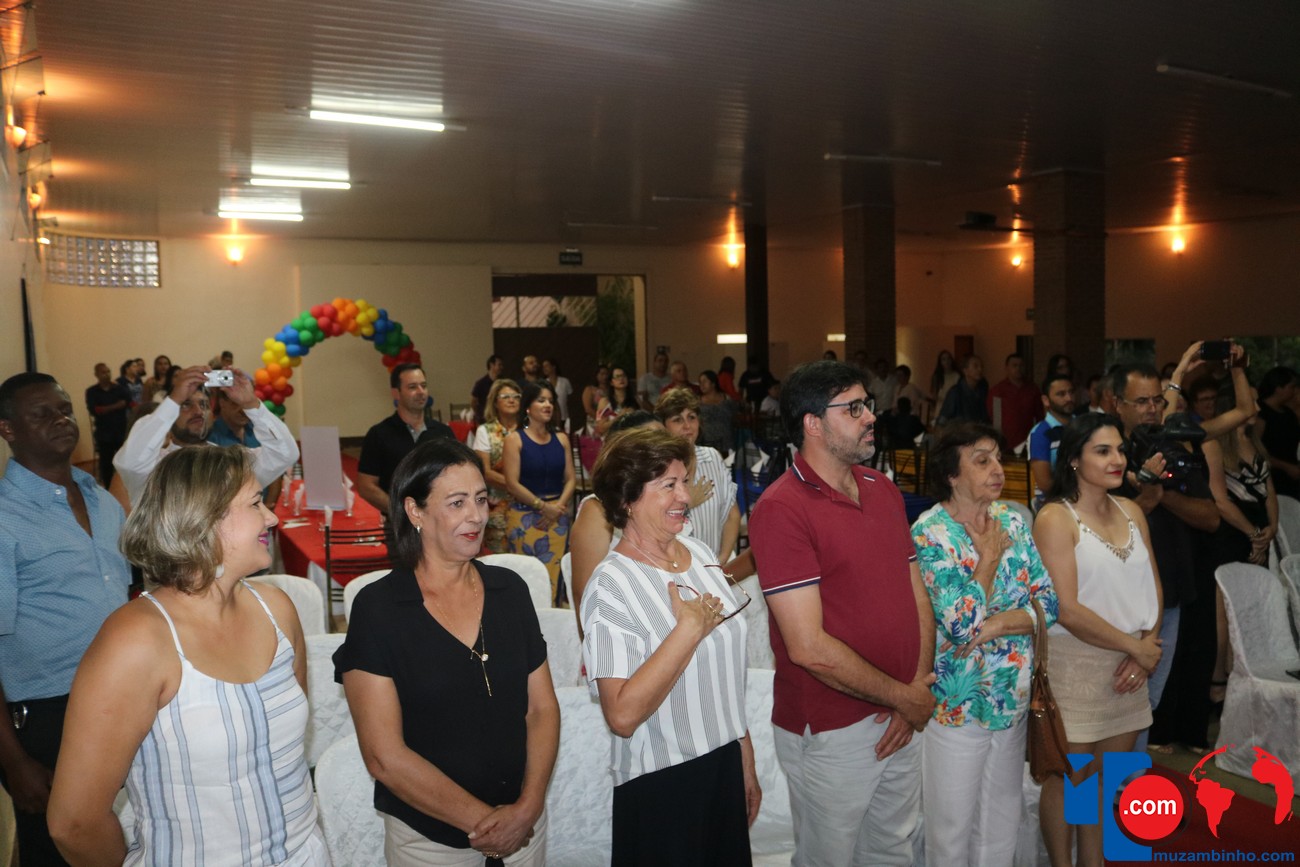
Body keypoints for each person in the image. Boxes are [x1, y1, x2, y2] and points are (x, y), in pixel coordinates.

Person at [47, 446, 328, 865]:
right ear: (204, 518)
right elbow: (73, 823)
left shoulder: (277, 610)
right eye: (255, 503)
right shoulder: (136, 641)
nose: (271, 517)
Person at [335, 439, 559, 865]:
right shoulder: (379, 609)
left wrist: (528, 806)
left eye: (480, 499)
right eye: (457, 503)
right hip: (430, 842)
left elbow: (541, 709)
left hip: (523, 826)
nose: (476, 515)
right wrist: (488, 824)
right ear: (415, 511)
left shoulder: (509, 591)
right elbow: (384, 756)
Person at [748, 360, 935, 866]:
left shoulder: (882, 489)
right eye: (853, 409)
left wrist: (914, 692)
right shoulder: (781, 509)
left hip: (901, 711)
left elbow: (917, 595)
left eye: (867, 405)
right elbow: (807, 647)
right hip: (832, 727)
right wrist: (905, 698)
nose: (870, 416)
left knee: (893, 852)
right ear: (813, 423)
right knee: (829, 859)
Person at [581, 427, 759, 865]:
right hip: (663, 784)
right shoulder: (611, 585)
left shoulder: (699, 554)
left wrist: (744, 754)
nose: (685, 496)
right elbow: (622, 715)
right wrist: (687, 631)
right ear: (628, 499)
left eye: (685, 481)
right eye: (668, 485)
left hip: (722, 761)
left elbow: (723, 676)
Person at [0, 373, 133, 867]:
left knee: (127, 837)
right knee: (57, 852)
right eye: (42, 414)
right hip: (49, 716)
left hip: (125, 697)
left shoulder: (102, 500)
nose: (60, 420)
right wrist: (14, 761)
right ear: (8, 429)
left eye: (64, 409)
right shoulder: (5, 518)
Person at [911, 422, 1058, 866]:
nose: (998, 469)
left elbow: (1049, 603)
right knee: (951, 830)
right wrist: (990, 557)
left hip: (1011, 698)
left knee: (1001, 825)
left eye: (998, 458)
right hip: (958, 705)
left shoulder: (1012, 519)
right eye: (982, 461)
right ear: (952, 475)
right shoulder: (930, 533)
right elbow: (960, 624)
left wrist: (995, 627)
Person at [1032, 414, 1163, 867]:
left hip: (1131, 667)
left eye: (1120, 450)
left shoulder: (1132, 510)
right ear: (1073, 459)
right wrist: (1136, 649)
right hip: (1077, 664)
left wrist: (1146, 647)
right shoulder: (1055, 517)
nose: (1117, 459)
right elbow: (1066, 608)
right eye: (1103, 451)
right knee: (1071, 779)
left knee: (1106, 784)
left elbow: (1153, 587)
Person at [1107, 363, 1219, 753]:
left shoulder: (1171, 449)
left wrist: (1162, 494)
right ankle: (1100, 789)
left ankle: (1127, 783)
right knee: (1110, 706)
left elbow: (1210, 518)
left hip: (1167, 593)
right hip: (1113, 602)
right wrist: (1144, 498)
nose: (1152, 409)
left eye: (1157, 400)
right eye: (1142, 401)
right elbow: (1096, 535)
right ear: (1117, 403)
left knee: (1144, 703)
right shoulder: (1101, 453)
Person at [114, 364, 299, 508]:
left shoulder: (231, 461)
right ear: (170, 416)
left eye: (203, 405)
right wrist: (174, 399)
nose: (198, 411)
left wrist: (251, 404)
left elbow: (285, 454)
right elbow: (129, 462)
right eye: (186, 405)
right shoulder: (156, 466)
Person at [567, 412, 665, 627]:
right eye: (650, 440)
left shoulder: (667, 503)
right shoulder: (598, 510)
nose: (662, 447)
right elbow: (586, 597)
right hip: (621, 631)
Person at [503, 381, 575, 602]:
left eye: (551, 401)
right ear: (528, 407)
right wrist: (543, 507)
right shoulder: (514, 439)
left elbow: (571, 479)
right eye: (541, 400)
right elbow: (512, 483)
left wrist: (558, 507)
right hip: (525, 518)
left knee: (555, 577)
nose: (548, 405)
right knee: (527, 581)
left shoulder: (561, 439)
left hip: (557, 518)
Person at [357, 363, 456, 514]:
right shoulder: (379, 434)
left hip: (440, 519)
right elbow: (366, 486)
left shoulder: (443, 433)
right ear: (396, 393)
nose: (421, 392)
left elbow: (457, 476)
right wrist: (402, 512)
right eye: (412, 387)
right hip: (398, 523)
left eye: (423, 386)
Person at [656, 388, 741, 560]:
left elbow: (732, 516)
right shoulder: (656, 466)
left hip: (716, 563)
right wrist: (687, 504)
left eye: (691, 417)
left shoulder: (712, 457)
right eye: (677, 419)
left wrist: (721, 561)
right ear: (663, 427)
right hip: (673, 566)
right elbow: (650, 524)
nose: (687, 426)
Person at [473, 378, 523, 554]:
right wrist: (521, 487)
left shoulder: (528, 429)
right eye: (505, 397)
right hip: (497, 507)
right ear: (495, 402)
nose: (512, 400)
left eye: (516, 396)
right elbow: (485, 472)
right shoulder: (485, 431)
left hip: (530, 508)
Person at [1029, 372, 1077, 510]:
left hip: (1084, 499)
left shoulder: (1083, 426)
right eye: (1061, 394)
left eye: (1071, 392)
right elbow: (1044, 483)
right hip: (1053, 503)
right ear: (1046, 400)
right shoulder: (1040, 433)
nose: (1069, 398)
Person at [1254, 366, 1299, 498]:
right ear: (1279, 388)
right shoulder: (1261, 412)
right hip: (1271, 478)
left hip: (1290, 480)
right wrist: (1285, 466)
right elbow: (1255, 449)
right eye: (1291, 387)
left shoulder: (1288, 413)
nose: (1294, 391)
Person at [85, 362, 131, 487]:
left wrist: (106, 408)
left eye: (108, 371)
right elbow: (95, 410)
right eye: (103, 372)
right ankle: (108, 487)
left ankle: (125, 486)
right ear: (96, 374)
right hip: (104, 433)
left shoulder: (119, 389)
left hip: (121, 430)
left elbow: (127, 403)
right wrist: (116, 406)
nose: (107, 374)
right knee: (106, 464)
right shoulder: (92, 392)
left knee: (125, 461)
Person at [987, 353, 1044, 450]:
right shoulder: (997, 391)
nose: (1018, 368)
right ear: (1007, 368)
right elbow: (995, 419)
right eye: (1014, 365)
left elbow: (1039, 416)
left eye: (1021, 366)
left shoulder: (1033, 390)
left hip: (1028, 441)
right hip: (1006, 443)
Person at [938, 354, 989, 425]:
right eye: (976, 366)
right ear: (965, 371)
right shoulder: (955, 392)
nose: (980, 369)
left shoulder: (982, 391)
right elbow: (943, 418)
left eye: (981, 366)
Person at [697, 369, 737, 456]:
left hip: (726, 441)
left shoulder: (726, 398)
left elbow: (734, 415)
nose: (701, 385)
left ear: (713, 383)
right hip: (707, 442)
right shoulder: (698, 401)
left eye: (704, 381)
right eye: (700, 382)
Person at [594, 366, 640, 436]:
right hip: (612, 439)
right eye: (617, 376)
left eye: (623, 376)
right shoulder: (605, 402)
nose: (621, 378)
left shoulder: (636, 400)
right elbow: (600, 428)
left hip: (631, 438)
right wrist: (619, 417)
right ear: (611, 382)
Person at [470, 354, 504, 424]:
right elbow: (473, 402)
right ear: (492, 365)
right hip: (485, 418)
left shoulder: (502, 383)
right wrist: (479, 413)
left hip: (500, 417)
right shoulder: (481, 383)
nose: (502, 367)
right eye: (499, 365)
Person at [542, 358, 574, 428]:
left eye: (546, 366)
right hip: (549, 417)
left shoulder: (565, 382)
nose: (544, 369)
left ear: (553, 367)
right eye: (543, 367)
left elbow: (570, 398)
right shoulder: (543, 383)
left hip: (564, 416)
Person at [581, 364, 611, 431]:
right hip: (594, 420)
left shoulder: (611, 390)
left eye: (606, 374)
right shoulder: (590, 389)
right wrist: (600, 420)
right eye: (602, 374)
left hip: (610, 421)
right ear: (596, 375)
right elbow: (588, 409)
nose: (605, 376)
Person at [930, 350, 959, 415]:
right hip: (941, 409)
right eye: (944, 359)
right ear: (940, 362)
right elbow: (934, 395)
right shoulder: (937, 377)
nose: (947, 361)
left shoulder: (957, 376)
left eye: (948, 358)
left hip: (954, 408)